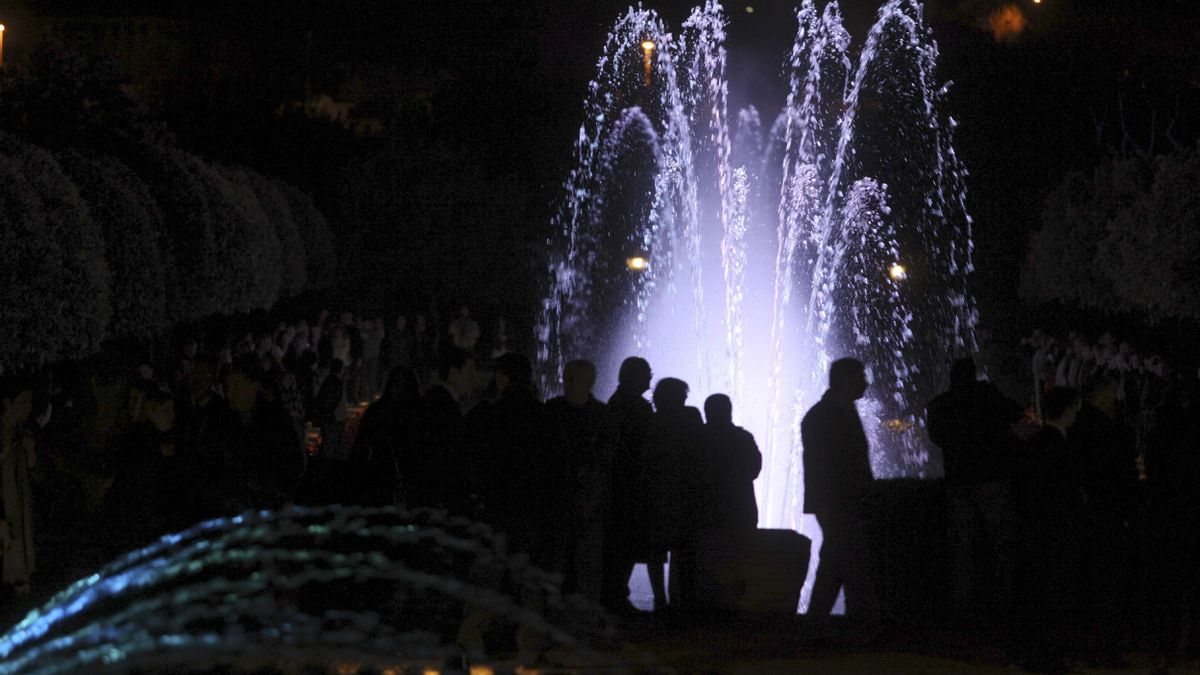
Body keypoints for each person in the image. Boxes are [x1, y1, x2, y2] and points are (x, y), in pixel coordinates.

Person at [926, 356, 1022, 625]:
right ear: (975, 375)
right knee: (1001, 545)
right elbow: (1016, 413)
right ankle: (1003, 605)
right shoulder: (988, 396)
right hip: (992, 479)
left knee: (962, 549)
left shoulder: (940, 405)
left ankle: (962, 609)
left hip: (958, 482)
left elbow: (936, 437)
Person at [1013, 386, 1085, 674]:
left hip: (1037, 529)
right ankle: (1047, 655)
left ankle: (1037, 652)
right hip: (1054, 531)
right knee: (1052, 593)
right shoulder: (1058, 445)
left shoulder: (1036, 442)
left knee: (1039, 592)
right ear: (1068, 409)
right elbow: (1063, 492)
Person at [801, 357, 877, 623]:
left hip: (848, 500)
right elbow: (817, 464)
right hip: (836, 502)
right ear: (845, 380)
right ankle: (859, 620)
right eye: (860, 378)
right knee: (852, 558)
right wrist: (822, 506)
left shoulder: (843, 410)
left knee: (837, 559)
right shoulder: (821, 416)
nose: (866, 383)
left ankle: (817, 621)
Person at [466, 353, 549, 559]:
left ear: (503, 376)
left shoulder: (486, 414)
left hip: (496, 506)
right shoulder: (545, 415)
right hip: (533, 507)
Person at [545, 359, 611, 602]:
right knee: (560, 560)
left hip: (586, 502)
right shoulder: (553, 412)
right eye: (567, 378)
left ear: (589, 382)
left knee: (584, 563)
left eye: (572, 379)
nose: (566, 383)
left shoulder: (555, 412)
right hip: (562, 500)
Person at [642, 377, 705, 611]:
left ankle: (661, 598)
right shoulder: (691, 417)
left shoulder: (653, 421)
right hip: (684, 491)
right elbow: (701, 449)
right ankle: (679, 598)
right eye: (683, 395)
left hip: (660, 491)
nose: (685, 399)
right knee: (682, 546)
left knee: (657, 548)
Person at [603, 356, 654, 613]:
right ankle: (615, 595)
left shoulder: (617, 402)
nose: (651, 378)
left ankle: (614, 593)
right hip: (628, 486)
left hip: (619, 484)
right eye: (647, 373)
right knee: (624, 542)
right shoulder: (635, 406)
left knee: (620, 543)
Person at [406, 346, 477, 510]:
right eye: (470, 371)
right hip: (435, 499)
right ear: (453, 374)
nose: (474, 378)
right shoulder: (444, 407)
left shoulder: (436, 400)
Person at [348, 365, 422, 506]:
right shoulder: (382, 411)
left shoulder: (411, 412)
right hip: (384, 474)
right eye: (396, 383)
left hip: (394, 473)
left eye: (402, 384)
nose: (399, 389)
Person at [702, 394, 762, 531]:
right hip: (741, 510)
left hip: (706, 511)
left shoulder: (698, 438)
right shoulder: (743, 437)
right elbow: (755, 469)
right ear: (729, 411)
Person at [0, 376, 36, 597]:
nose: (28, 407)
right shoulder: (6, 436)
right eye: (23, 401)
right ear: (7, 403)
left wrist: (30, 454)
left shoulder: (22, 434)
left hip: (19, 508)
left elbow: (31, 475)